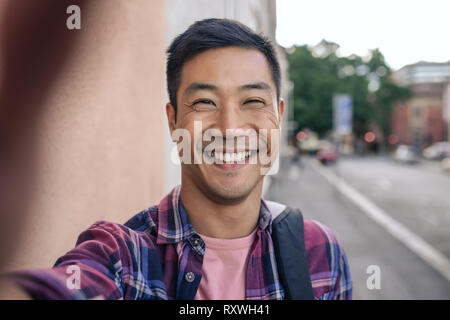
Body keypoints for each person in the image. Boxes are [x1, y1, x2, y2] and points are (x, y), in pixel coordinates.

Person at [0, 18, 351, 300]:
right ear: (173, 121)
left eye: (253, 102)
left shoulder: (320, 253)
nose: (229, 128)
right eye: (204, 103)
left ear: (278, 116)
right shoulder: (124, 257)